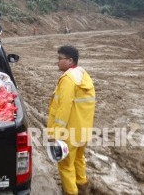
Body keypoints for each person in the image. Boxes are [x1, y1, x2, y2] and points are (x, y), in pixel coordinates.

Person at [47, 46, 96, 195]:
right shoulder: (82, 75)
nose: (57, 62)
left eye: (60, 59)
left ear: (70, 60)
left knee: (65, 165)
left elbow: (64, 109)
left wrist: (55, 133)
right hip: (83, 131)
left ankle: (71, 192)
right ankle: (82, 186)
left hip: (69, 132)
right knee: (79, 159)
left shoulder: (68, 79)